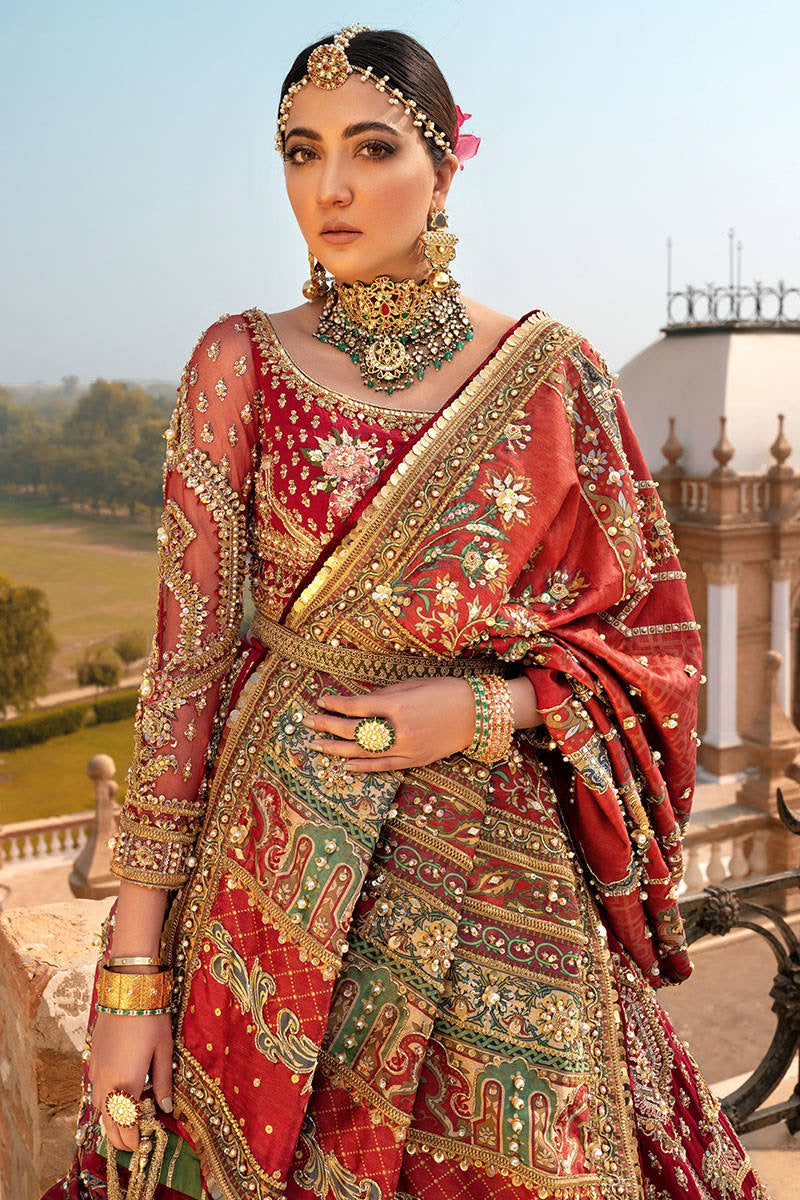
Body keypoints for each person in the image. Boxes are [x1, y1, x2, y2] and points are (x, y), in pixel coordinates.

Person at [42, 26, 769, 1200]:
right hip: (275, 875)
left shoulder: (549, 374)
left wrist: (483, 709)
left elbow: (650, 646)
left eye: (370, 148)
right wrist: (132, 981)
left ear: (444, 167)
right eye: (301, 151)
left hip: (499, 874)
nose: (328, 187)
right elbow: (184, 679)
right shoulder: (238, 361)